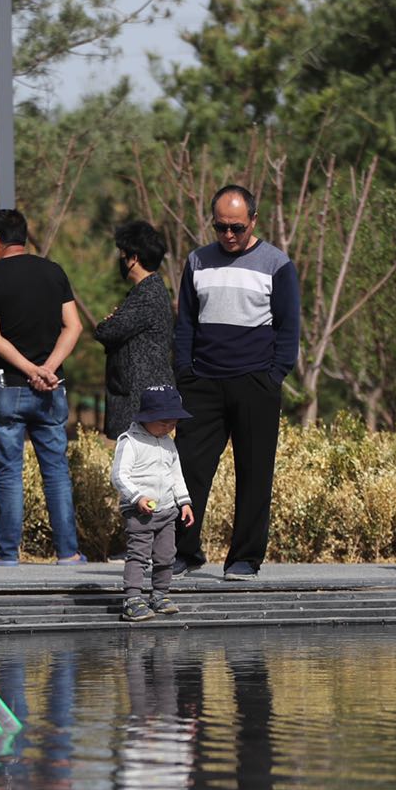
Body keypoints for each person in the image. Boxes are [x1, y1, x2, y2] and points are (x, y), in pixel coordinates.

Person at [171, 184, 300, 582]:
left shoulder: (276, 263)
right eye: (221, 227)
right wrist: (184, 371)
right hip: (203, 383)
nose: (229, 235)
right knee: (187, 470)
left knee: (254, 471)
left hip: (255, 382)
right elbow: (186, 323)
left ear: (254, 221)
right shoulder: (197, 261)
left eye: (237, 228)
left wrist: (273, 375)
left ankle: (245, 557)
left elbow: (288, 326)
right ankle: (183, 551)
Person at [0, 208, 85, 567]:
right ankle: (67, 552)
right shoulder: (53, 272)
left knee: (8, 472)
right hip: (52, 389)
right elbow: (74, 327)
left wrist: (29, 369)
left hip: (8, 387)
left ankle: (6, 553)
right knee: (56, 471)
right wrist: (47, 369)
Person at [110, 386, 196, 622]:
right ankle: (132, 599)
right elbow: (119, 475)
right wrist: (137, 497)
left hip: (168, 510)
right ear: (147, 417)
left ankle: (160, 594)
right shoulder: (131, 442)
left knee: (167, 555)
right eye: (163, 422)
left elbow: (175, 474)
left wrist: (184, 502)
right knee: (138, 555)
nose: (169, 428)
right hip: (140, 512)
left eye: (173, 423)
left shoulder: (168, 443)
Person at [94, 221, 174, 439]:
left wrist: (109, 322)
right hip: (143, 394)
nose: (120, 259)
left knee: (138, 466)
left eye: (122, 254)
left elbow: (107, 332)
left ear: (134, 258)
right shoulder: (147, 292)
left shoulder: (147, 294)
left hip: (140, 397)